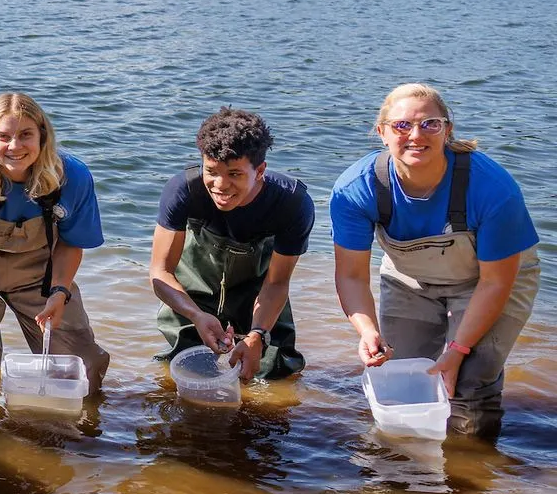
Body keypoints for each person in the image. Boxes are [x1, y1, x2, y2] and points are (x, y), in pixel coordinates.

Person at [331, 83, 541, 437]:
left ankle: (470, 474)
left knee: (470, 383)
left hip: (490, 281)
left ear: (448, 131)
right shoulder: (355, 188)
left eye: (430, 124)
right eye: (401, 126)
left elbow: (496, 282)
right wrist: (367, 331)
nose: (416, 135)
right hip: (409, 278)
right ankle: (407, 475)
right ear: (381, 133)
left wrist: (457, 350)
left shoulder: (492, 188)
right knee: (405, 381)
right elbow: (351, 276)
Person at [0, 92, 112, 400]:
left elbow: (70, 243)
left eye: (25, 135)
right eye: (4, 137)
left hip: (39, 263)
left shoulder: (73, 178)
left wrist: (59, 291)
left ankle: (83, 438)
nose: (15, 147)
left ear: (43, 136)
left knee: (82, 365)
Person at [149, 107, 314, 381]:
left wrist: (258, 334)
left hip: (259, 286)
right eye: (211, 171)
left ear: (260, 170)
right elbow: (160, 272)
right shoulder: (182, 190)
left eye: (235, 174)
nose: (220, 185)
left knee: (275, 372)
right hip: (195, 286)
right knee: (183, 368)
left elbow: (277, 283)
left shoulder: (292, 203)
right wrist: (196, 315)